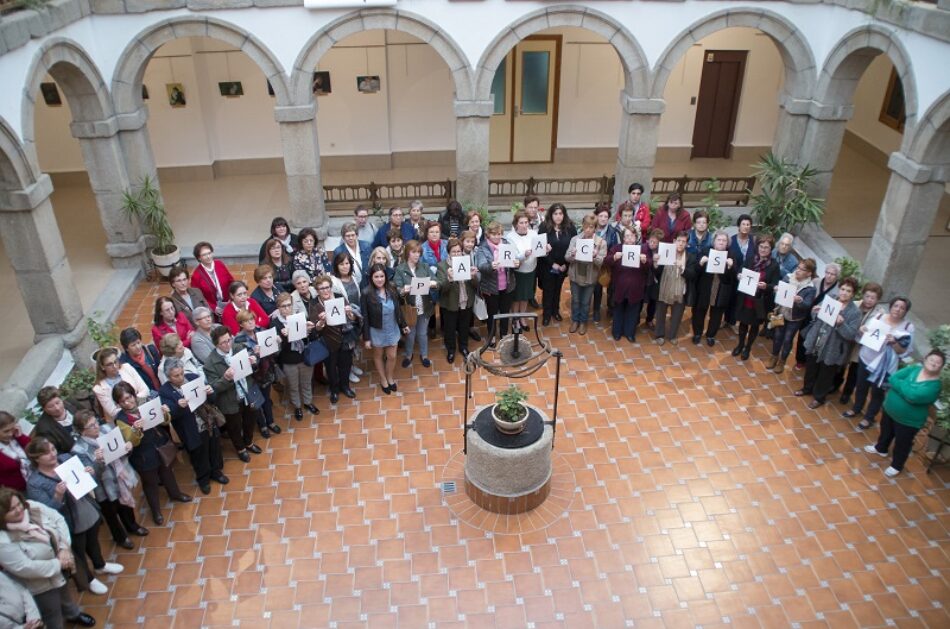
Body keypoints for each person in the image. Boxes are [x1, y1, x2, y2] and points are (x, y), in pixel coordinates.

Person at [25, 438, 122, 595]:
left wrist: (92, 470)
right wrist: (58, 496)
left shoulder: (66, 459)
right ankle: (89, 579)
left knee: (93, 541)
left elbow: (90, 479)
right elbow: (45, 512)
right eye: (46, 453)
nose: (52, 454)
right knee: (78, 552)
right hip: (69, 522)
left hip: (87, 509)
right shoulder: (35, 483)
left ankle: (100, 565)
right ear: (36, 459)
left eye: (52, 449)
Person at [0, 488, 96, 628]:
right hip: (40, 584)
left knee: (65, 594)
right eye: (11, 509)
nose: (19, 509)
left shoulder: (31, 506)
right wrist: (59, 564)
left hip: (61, 566)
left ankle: (73, 614)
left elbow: (58, 519)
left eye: (18, 504)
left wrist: (64, 548)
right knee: (52, 613)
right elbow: (25, 567)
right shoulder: (3, 541)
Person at [112, 383, 191, 524]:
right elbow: (131, 441)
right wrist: (136, 430)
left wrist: (164, 413)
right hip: (142, 455)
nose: (127, 402)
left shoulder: (146, 404)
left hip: (159, 445)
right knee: (150, 483)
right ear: (118, 403)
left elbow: (164, 422)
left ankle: (175, 494)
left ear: (134, 395)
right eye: (122, 401)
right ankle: (156, 511)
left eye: (129, 397)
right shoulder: (121, 419)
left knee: (167, 471)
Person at [69, 411, 146, 549]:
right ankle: (120, 538)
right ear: (82, 431)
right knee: (111, 513)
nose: (97, 426)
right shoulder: (79, 449)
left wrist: (128, 448)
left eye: (96, 422)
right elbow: (91, 476)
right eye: (91, 426)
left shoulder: (108, 429)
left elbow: (122, 450)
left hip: (120, 476)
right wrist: (98, 461)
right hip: (104, 486)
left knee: (125, 505)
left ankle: (132, 526)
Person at [864, 350, 945, 477]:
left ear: (941, 367)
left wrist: (900, 387)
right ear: (925, 359)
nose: (934, 363)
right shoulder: (914, 369)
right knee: (886, 431)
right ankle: (881, 448)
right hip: (890, 410)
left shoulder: (935, 386)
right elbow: (893, 378)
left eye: (938, 362)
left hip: (908, 421)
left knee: (903, 443)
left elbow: (913, 397)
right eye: (932, 360)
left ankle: (897, 465)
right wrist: (906, 391)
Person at [159, 359, 228, 495]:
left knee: (213, 448)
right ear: (168, 377)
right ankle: (203, 479)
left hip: (207, 422)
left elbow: (211, 399)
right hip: (190, 428)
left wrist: (210, 391)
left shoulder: (193, 378)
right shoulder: (164, 392)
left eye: (181, 373)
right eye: (176, 376)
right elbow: (170, 415)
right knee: (198, 455)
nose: (180, 377)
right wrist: (178, 406)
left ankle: (216, 471)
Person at [846, 296, 915, 430]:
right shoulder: (879, 317)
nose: (898, 310)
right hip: (866, 358)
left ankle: (869, 417)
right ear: (891, 306)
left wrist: (894, 343)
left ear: (906, 311)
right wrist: (862, 330)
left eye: (902, 308)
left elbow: (904, 351)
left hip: (884, 366)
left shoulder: (908, 327)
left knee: (877, 392)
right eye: (896, 306)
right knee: (861, 386)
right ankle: (856, 408)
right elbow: (865, 335)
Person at [796, 277, 861, 409]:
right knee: (811, 366)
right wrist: (815, 311)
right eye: (842, 289)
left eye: (848, 291)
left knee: (826, 373)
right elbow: (817, 317)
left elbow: (851, 335)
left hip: (833, 346)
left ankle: (819, 397)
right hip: (817, 339)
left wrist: (841, 324)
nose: (844, 293)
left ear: (853, 294)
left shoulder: (855, 312)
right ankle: (807, 388)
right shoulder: (830, 298)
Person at [203, 326, 264, 463]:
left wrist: (254, 361)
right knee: (234, 426)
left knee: (250, 420)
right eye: (223, 342)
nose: (228, 344)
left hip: (247, 393)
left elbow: (254, 365)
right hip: (229, 400)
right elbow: (215, 387)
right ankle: (240, 448)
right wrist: (226, 378)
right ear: (216, 344)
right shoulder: (210, 362)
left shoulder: (239, 348)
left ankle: (248, 442)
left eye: (229, 340)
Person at [310, 274, 361, 404]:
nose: (325, 291)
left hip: (345, 338)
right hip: (328, 341)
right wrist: (321, 322)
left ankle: (345, 386)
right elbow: (316, 329)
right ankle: (334, 390)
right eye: (321, 288)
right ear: (317, 290)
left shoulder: (339, 297)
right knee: (331, 368)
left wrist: (350, 313)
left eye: (327, 287)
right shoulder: (314, 304)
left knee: (346, 365)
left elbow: (353, 318)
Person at [361, 264, 409, 395]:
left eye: (382, 276)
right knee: (378, 356)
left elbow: (398, 309)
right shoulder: (366, 293)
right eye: (376, 276)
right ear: (371, 278)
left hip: (392, 327)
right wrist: (366, 338)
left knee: (392, 356)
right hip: (377, 330)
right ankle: (383, 379)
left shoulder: (391, 288)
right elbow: (364, 316)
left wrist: (404, 325)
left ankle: (390, 377)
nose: (379, 279)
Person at [233, 311, 282, 438]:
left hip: (266, 372)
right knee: (257, 401)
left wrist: (277, 343)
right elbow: (243, 363)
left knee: (266, 398)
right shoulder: (238, 341)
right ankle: (262, 425)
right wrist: (255, 355)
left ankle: (270, 421)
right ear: (241, 324)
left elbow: (275, 353)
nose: (250, 322)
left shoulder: (262, 331)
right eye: (246, 321)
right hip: (252, 376)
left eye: (252, 319)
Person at [732, 236, 781, 361]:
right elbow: (740, 270)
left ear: (771, 249)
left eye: (767, 247)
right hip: (746, 297)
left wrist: (766, 286)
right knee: (743, 323)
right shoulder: (750, 259)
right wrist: (739, 275)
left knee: (754, 325)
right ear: (757, 247)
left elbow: (775, 284)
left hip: (760, 301)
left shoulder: (774, 265)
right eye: (761, 247)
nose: (763, 249)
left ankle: (748, 347)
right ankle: (740, 344)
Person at [765, 258, 817, 374]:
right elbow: (779, 292)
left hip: (795, 318)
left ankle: (782, 361)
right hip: (782, 313)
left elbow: (807, 305)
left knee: (788, 339)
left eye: (802, 269)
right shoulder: (788, 277)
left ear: (809, 273)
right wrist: (776, 290)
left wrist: (799, 301)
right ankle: (774, 356)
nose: (798, 271)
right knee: (778, 336)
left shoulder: (810, 288)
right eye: (798, 267)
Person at [271, 292, 318, 421]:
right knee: (293, 385)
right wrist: (282, 337)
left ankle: (308, 402)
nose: (286, 308)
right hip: (288, 360)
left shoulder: (299, 317)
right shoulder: (275, 324)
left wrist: (309, 330)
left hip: (304, 357)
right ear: (278, 308)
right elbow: (278, 348)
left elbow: (309, 338)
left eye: (289, 305)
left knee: (306, 382)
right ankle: (297, 406)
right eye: (283, 306)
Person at [838, 282, 884, 405]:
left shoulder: (880, 314)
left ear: (877, 300)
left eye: (873, 298)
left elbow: (878, 333)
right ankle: (835, 384)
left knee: (854, 370)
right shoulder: (854, 304)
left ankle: (847, 392)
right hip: (846, 340)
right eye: (867, 296)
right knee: (840, 364)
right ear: (863, 295)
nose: (869, 300)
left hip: (860, 346)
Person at [690, 230, 739, 346]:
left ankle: (711, 335)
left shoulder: (731, 255)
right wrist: (701, 263)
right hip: (705, 288)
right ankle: (697, 333)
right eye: (719, 240)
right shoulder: (706, 251)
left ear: (727, 243)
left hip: (721, 289)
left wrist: (731, 267)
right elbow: (696, 271)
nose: (721, 243)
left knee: (716, 314)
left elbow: (734, 277)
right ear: (714, 242)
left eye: (724, 240)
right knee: (699, 311)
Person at [395, 240, 437, 369]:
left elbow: (436, 281)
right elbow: (396, 288)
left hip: (424, 305)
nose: (416, 255)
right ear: (407, 253)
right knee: (411, 333)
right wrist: (403, 290)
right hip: (410, 308)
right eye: (414, 252)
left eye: (419, 252)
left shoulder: (424, 266)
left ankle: (424, 355)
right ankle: (408, 355)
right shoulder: (401, 269)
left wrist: (432, 283)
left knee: (422, 333)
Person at [606, 226, 652, 342]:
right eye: (627, 236)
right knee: (618, 309)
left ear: (636, 237)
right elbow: (606, 260)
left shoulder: (642, 250)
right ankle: (617, 332)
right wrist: (614, 257)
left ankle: (629, 332)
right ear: (623, 238)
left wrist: (645, 261)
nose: (630, 238)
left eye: (632, 236)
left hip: (636, 287)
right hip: (620, 287)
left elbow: (650, 265)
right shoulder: (617, 248)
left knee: (633, 311)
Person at [436, 238, 478, 363]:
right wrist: (449, 279)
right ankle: (451, 350)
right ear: (448, 252)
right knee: (450, 328)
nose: (456, 254)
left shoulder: (467, 262)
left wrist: (473, 277)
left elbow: (475, 285)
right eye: (453, 252)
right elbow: (441, 289)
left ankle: (464, 347)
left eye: (458, 251)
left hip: (466, 301)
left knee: (464, 326)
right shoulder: (442, 266)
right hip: (450, 303)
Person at [565, 214, 607, 335]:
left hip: (590, 277)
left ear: (595, 228)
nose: (588, 230)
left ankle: (583, 322)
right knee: (576, 300)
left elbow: (600, 262)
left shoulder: (600, 243)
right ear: (582, 226)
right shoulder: (575, 239)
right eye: (586, 226)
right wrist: (572, 255)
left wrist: (594, 256)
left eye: (591, 227)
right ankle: (575, 320)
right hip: (576, 275)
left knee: (585, 301)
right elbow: (566, 258)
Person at [475, 221, 519, 340]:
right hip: (491, 287)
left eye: (499, 234)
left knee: (505, 313)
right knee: (492, 314)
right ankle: (492, 335)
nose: (496, 237)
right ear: (488, 234)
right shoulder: (482, 248)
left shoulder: (506, 244)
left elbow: (514, 260)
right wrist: (491, 266)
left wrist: (516, 264)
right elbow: (481, 266)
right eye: (494, 234)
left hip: (507, 285)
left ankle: (504, 334)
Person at [795, 262, 840, 370]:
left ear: (837, 276)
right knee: (802, 335)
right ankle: (800, 360)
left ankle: (809, 361)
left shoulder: (838, 290)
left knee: (814, 338)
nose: (829, 276)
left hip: (821, 318)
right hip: (808, 313)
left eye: (832, 274)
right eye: (827, 272)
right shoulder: (816, 281)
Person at [654, 231, 697, 345]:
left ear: (687, 244)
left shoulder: (690, 257)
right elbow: (657, 272)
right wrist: (656, 263)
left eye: (684, 242)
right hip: (664, 288)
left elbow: (693, 274)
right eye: (679, 241)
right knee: (661, 313)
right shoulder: (665, 252)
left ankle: (672, 335)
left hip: (680, 290)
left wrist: (682, 268)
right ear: (674, 241)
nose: (681, 244)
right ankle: (659, 334)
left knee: (677, 315)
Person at [537, 203, 576, 326]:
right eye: (555, 214)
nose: (558, 217)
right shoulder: (544, 227)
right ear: (551, 215)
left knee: (558, 289)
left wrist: (566, 264)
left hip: (563, 265)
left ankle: (555, 311)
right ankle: (547, 314)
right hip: (548, 265)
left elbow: (574, 246)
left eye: (560, 214)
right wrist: (552, 263)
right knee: (548, 290)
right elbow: (540, 248)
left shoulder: (570, 227)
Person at [92, 348, 149, 423]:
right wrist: (132, 405)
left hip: (145, 408)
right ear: (102, 367)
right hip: (127, 421)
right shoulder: (99, 388)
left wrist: (131, 403)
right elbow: (113, 412)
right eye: (109, 364)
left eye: (116, 361)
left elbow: (145, 390)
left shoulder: (126, 368)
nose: (115, 366)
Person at [506, 210, 538, 331]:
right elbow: (512, 256)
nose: (524, 225)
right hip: (518, 272)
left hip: (531, 270)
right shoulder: (510, 237)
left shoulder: (534, 234)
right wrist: (524, 254)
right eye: (521, 222)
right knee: (516, 296)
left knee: (525, 296)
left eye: (526, 222)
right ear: (516, 224)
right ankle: (515, 318)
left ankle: (523, 317)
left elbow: (539, 249)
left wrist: (545, 248)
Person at [725, 214, 756, 328]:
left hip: (747, 276)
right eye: (743, 224)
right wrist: (735, 272)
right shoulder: (731, 240)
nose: (746, 226)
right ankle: (726, 319)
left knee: (740, 300)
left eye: (748, 224)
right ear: (739, 225)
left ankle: (734, 322)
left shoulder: (754, 241)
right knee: (729, 297)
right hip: (732, 274)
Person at [190, 241, 235, 318]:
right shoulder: (196, 276)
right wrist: (214, 308)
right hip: (213, 309)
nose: (208, 256)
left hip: (228, 302)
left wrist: (232, 297)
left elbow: (231, 281)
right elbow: (198, 297)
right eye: (204, 255)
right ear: (199, 258)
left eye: (209, 253)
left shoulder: (219, 264)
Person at [590, 203, 619, 323]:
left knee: (598, 287)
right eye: (601, 216)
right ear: (596, 216)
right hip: (589, 264)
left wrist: (603, 258)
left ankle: (596, 310)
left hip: (603, 265)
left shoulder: (612, 232)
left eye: (606, 217)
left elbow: (614, 249)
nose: (603, 219)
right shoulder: (590, 228)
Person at [32, 387, 77, 461]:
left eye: (58, 402)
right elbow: (57, 453)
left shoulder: (71, 404)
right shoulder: (44, 429)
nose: (57, 408)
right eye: (51, 406)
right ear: (44, 409)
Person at [119, 327, 161, 393]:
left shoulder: (151, 350)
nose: (138, 347)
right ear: (126, 348)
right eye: (133, 345)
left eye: (138, 343)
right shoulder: (124, 364)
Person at [0, 411, 30, 491]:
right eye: (6, 431)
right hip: (18, 490)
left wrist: (21, 437)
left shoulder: (16, 435)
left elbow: (35, 450)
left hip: (35, 478)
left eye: (12, 429)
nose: (10, 434)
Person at [335, 222, 371, 287]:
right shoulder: (339, 251)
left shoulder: (366, 246)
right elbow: (335, 271)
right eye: (348, 236)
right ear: (343, 237)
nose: (351, 238)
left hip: (367, 284)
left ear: (357, 235)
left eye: (353, 235)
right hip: (350, 285)